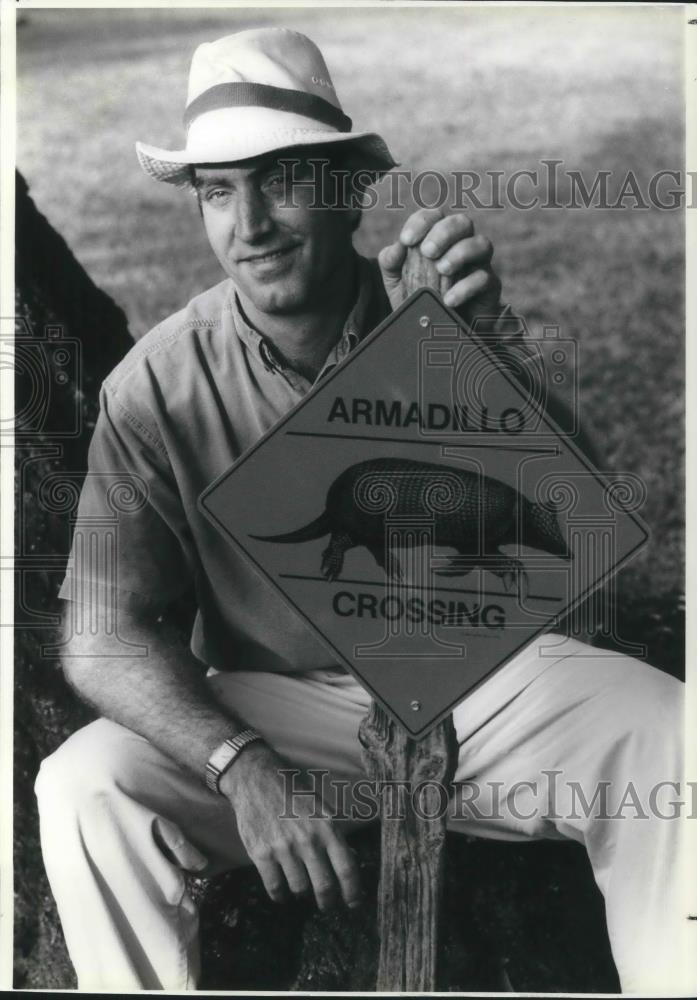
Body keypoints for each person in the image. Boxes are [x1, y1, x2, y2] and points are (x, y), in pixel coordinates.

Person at [35, 27, 693, 993]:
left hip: (479, 681)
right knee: (85, 786)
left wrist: (481, 356)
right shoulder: (155, 388)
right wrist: (238, 762)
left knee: (669, 732)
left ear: (348, 187)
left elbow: (585, 542)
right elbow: (99, 634)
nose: (249, 223)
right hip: (283, 708)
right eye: (218, 189)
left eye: (282, 179)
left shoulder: (431, 312)